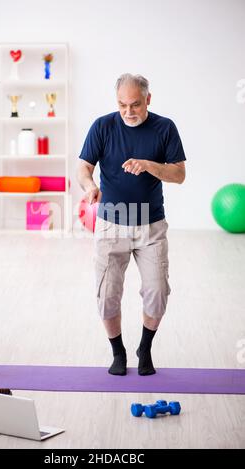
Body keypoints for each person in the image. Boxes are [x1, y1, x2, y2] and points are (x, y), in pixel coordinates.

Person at [76, 73, 186, 376]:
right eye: (122, 105)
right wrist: (89, 186)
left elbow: (179, 174)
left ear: (148, 99)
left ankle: (145, 347)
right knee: (107, 294)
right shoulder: (102, 126)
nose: (128, 111)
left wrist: (149, 164)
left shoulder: (164, 128)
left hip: (151, 226)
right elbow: (83, 168)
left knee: (158, 290)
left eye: (135, 104)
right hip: (110, 226)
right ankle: (118, 351)